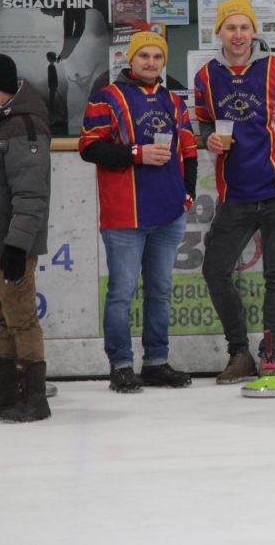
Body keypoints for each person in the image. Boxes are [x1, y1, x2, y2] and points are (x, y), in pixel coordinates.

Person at [194, 0, 275, 384]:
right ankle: (239, 352)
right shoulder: (205, 77)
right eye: (230, 27)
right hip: (237, 194)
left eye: (244, 27)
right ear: (219, 32)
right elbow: (201, 125)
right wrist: (208, 140)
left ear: (254, 32)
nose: (238, 34)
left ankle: (269, 356)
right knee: (215, 270)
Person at [79, 32, 197, 393]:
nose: (150, 62)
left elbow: (189, 151)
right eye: (143, 55)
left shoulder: (174, 102)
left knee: (160, 291)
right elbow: (89, 148)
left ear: (164, 62)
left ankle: (157, 363)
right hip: (124, 216)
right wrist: (135, 154)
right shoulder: (106, 98)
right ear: (130, 60)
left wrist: (186, 195)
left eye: (157, 56)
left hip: (168, 215)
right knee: (121, 293)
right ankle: (121, 365)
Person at [0, 54, 52, 422]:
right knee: (2, 319)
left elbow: (31, 195)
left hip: (11, 241)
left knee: (19, 318)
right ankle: (6, 392)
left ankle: (33, 396)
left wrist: (16, 246)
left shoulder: (23, 127)